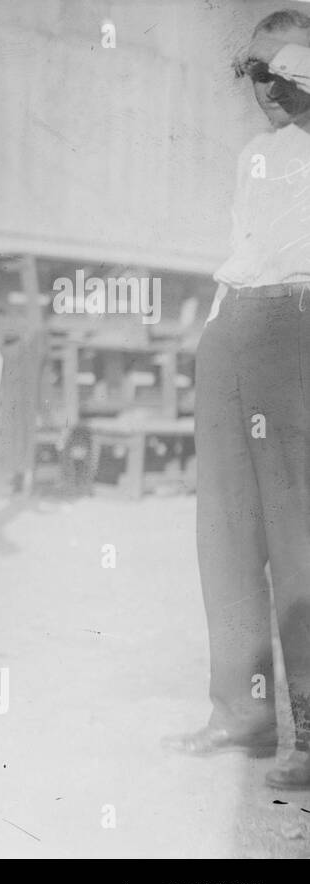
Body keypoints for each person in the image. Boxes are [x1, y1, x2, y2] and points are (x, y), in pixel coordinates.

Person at [163, 10, 310, 789]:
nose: (269, 88)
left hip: (299, 324)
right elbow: (243, 248)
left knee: (299, 531)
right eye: (256, 73)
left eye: (286, 73)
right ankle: (242, 712)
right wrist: (213, 337)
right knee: (224, 527)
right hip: (234, 325)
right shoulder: (256, 155)